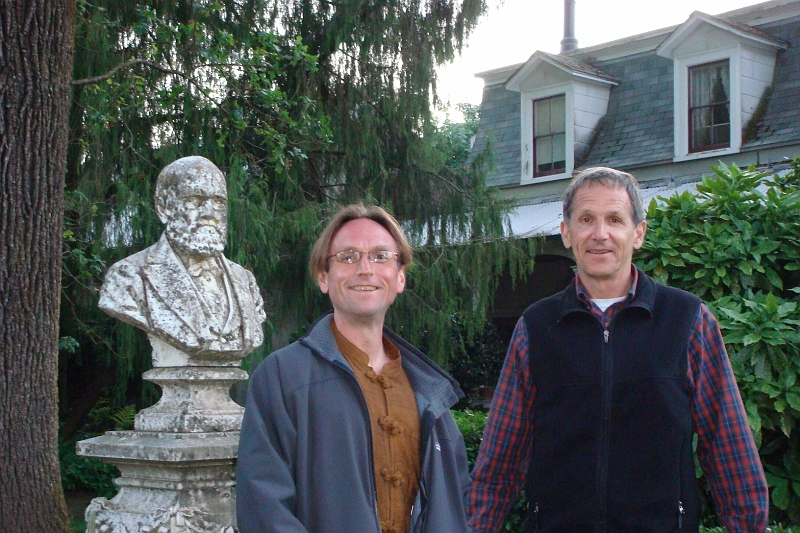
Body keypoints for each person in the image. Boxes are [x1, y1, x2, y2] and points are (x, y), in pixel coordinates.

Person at [467, 167, 768, 533]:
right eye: (586, 219)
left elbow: (728, 444)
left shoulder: (687, 320)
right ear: (566, 232)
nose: (600, 234)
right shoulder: (536, 327)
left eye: (615, 219)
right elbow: (501, 456)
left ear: (637, 233)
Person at [237, 204, 471, 533]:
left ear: (400, 277)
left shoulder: (429, 391)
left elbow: (459, 502)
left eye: (380, 256)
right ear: (323, 277)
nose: (365, 268)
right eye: (347, 257)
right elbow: (264, 509)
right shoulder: (281, 378)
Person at [99, 156, 265, 361]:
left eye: (218, 202)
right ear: (163, 207)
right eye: (195, 200)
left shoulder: (245, 280)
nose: (210, 213)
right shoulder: (129, 276)